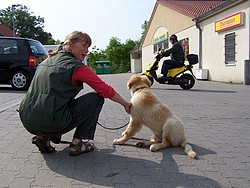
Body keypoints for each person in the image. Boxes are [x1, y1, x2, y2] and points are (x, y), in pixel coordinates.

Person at [19, 31, 132, 156]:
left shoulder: (44, 63)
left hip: (27, 119)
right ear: (70, 45)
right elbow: (104, 90)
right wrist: (125, 104)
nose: (87, 50)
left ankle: (43, 138)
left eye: (88, 47)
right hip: (53, 120)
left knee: (57, 106)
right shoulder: (76, 67)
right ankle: (77, 144)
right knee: (96, 98)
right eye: (84, 45)